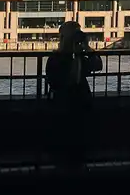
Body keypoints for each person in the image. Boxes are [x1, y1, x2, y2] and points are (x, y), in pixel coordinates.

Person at [45, 21, 103, 169]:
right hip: (66, 106)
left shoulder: (76, 57)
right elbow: (67, 80)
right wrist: (79, 54)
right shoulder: (56, 59)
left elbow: (98, 65)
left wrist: (86, 48)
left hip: (77, 105)